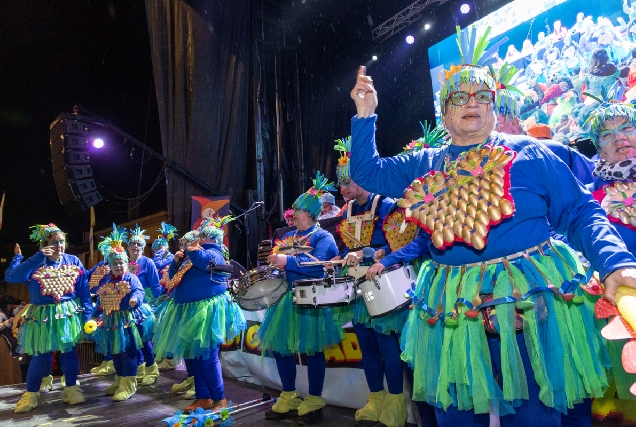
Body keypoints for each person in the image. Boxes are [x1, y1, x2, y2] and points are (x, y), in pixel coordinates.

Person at [350, 25, 636, 426]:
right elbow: (365, 171)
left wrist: (615, 262)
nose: (473, 103)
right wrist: (366, 115)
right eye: (460, 97)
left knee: (539, 412)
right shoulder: (425, 164)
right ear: (446, 111)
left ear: (493, 106)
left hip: (533, 302)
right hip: (454, 311)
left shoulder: (533, 154)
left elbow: (580, 212)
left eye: (483, 96)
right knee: (457, 413)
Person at [258, 171, 347, 425]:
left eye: (298, 210)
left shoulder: (323, 237)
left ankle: (315, 398)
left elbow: (319, 265)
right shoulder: (288, 237)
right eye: (294, 210)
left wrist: (288, 260)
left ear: (310, 213)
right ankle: (288, 395)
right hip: (285, 298)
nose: (294, 214)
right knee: (280, 347)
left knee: (312, 349)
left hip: (310, 300)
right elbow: (280, 261)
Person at [333, 136, 410, 427]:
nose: (343, 190)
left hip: (384, 285)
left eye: (348, 183)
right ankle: (375, 400)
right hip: (358, 288)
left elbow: (402, 244)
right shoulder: (348, 211)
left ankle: (395, 404)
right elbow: (347, 248)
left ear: (363, 179)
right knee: (367, 347)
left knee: (388, 348)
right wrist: (342, 257)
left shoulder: (386, 204)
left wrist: (371, 252)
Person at [153, 216, 246, 412]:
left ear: (212, 239)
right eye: (200, 236)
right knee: (194, 358)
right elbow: (171, 277)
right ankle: (203, 398)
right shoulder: (192, 254)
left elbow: (204, 262)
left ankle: (219, 399)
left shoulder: (215, 253)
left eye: (203, 236)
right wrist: (176, 261)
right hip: (189, 311)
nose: (200, 238)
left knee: (207, 357)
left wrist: (191, 250)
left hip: (206, 311)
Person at [5, 224, 92, 413]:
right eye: (54, 242)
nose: (59, 246)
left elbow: (84, 292)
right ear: (45, 244)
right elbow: (12, 277)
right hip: (41, 317)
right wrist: (34, 257)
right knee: (40, 356)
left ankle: (71, 389)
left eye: (62, 242)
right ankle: (31, 394)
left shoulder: (74, 261)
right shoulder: (37, 262)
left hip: (67, 316)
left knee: (69, 353)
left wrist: (87, 317)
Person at [585, 82, 636, 400]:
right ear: (599, 148)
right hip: (626, 305)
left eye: (627, 127)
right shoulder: (589, 198)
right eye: (607, 134)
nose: (619, 137)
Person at [90, 225, 155, 401]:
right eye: (115, 263)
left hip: (129, 319)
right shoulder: (107, 282)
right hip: (112, 321)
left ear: (127, 264)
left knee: (129, 352)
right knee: (116, 351)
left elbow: (139, 291)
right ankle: (119, 380)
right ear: (110, 266)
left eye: (121, 263)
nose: (118, 266)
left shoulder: (131, 278)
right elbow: (102, 300)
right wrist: (95, 315)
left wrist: (135, 299)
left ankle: (129, 384)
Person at [127, 225, 162, 385]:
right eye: (132, 244)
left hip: (144, 305)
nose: (135, 247)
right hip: (127, 306)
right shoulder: (124, 263)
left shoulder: (147, 262)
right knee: (131, 339)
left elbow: (155, 285)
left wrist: (157, 305)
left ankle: (151, 368)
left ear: (143, 247)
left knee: (143, 336)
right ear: (127, 247)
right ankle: (140, 368)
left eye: (139, 245)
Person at [150, 222, 178, 372]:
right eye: (154, 250)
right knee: (161, 328)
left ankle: (170, 359)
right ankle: (162, 356)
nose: (155, 252)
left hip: (171, 297)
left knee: (169, 328)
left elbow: (156, 264)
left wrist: (161, 251)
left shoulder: (171, 258)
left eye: (157, 249)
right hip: (164, 296)